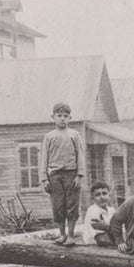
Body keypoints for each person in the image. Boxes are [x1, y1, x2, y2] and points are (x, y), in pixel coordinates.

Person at [41, 103, 85, 246]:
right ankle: (62, 234)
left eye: (65, 116)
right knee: (58, 206)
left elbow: (80, 156)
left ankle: (71, 236)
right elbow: (44, 158)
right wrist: (44, 178)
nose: (62, 119)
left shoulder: (74, 135)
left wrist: (79, 175)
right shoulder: (49, 136)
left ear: (70, 118)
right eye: (59, 116)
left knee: (71, 205)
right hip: (54, 175)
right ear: (53, 117)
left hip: (71, 174)